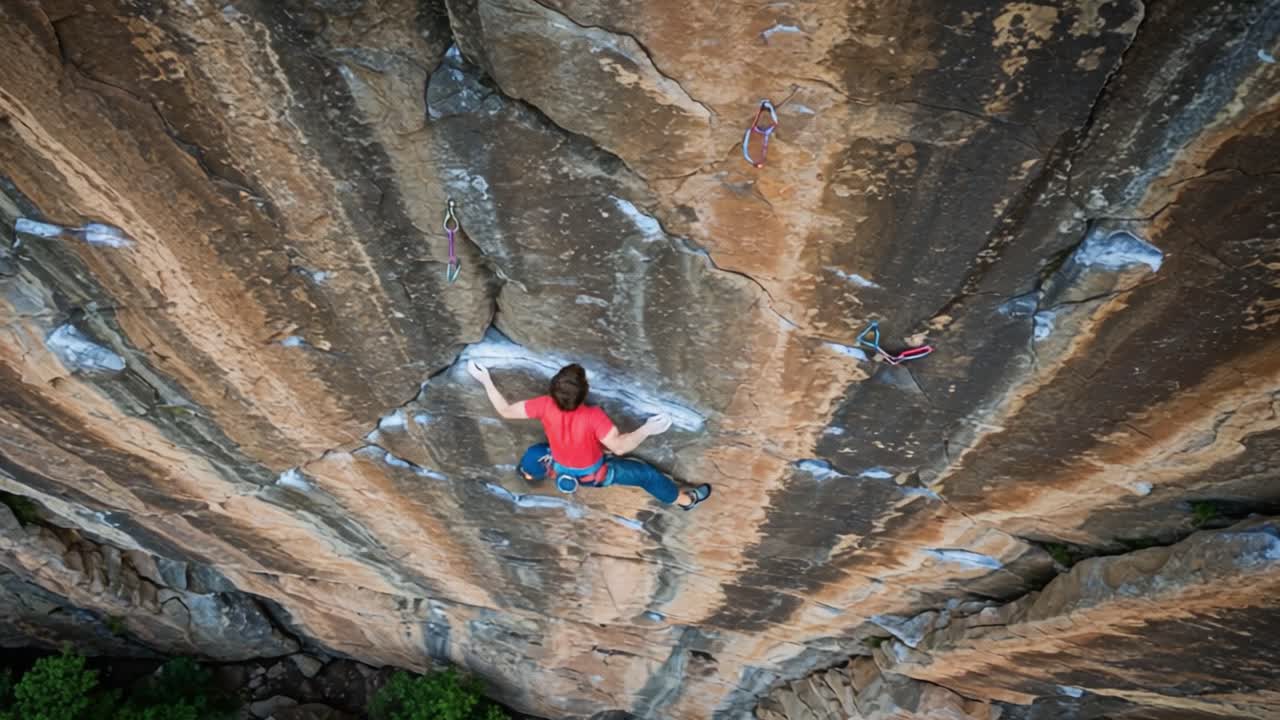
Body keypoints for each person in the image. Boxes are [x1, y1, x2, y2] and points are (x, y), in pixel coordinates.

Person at [467, 360, 712, 510]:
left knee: (534, 454)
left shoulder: (544, 405)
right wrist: (646, 429)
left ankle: (532, 472)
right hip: (595, 473)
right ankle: (685, 501)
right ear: (585, 394)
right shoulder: (594, 416)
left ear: (553, 390)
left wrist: (485, 379)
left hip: (560, 465)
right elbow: (619, 448)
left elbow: (505, 410)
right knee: (646, 475)